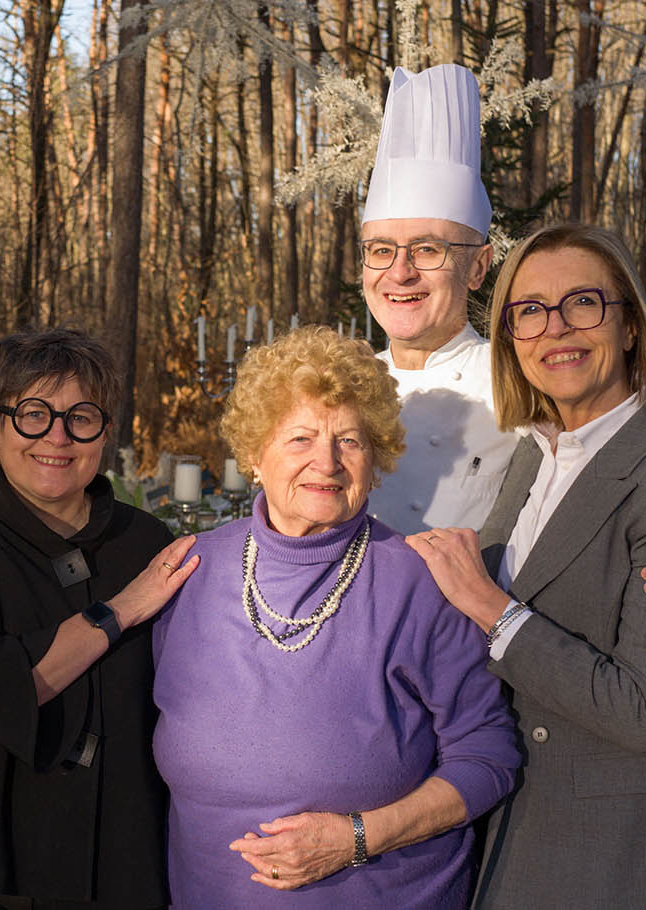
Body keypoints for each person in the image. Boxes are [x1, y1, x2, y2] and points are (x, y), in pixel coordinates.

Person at [358, 63, 646, 632]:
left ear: (477, 267)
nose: (400, 273)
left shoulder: (520, 379)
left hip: (471, 678)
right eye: (381, 249)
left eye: (427, 250)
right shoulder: (341, 391)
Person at [408, 223, 646, 908]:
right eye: (528, 311)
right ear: (509, 338)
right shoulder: (537, 449)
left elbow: (644, 709)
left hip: (606, 839)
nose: (555, 329)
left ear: (627, 327)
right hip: (511, 812)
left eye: (582, 303)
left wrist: (489, 608)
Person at [152, 326, 521, 909]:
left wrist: (355, 839)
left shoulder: (419, 583)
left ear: (375, 459)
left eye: (349, 441)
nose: (326, 462)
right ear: (254, 455)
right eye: (299, 438)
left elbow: (489, 755)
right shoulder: (189, 573)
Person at [0, 329, 199, 909]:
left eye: (81, 417)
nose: (57, 436)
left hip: (115, 866)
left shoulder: (147, 541)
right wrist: (121, 610)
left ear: (104, 434)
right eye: (32, 414)